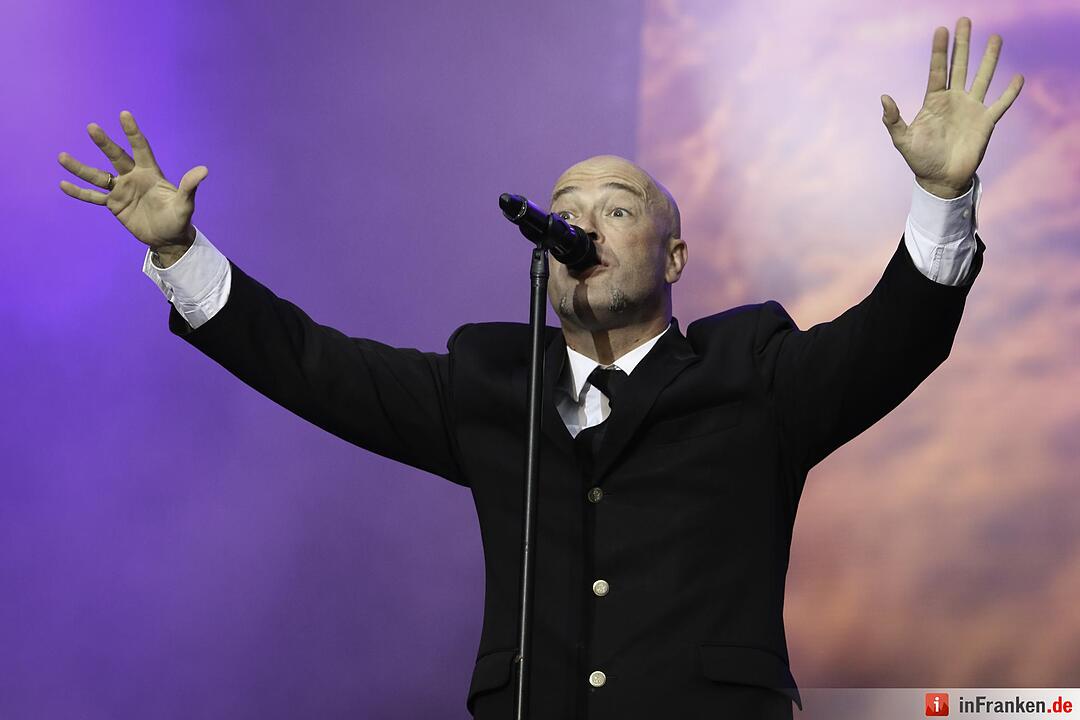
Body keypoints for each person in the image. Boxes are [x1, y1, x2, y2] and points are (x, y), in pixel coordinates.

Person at [57, 17, 1022, 719]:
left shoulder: (751, 371)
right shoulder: (489, 384)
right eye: (569, 208)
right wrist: (182, 258)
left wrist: (944, 195)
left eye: (616, 208)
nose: (583, 226)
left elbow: (897, 338)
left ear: (674, 256)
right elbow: (314, 366)